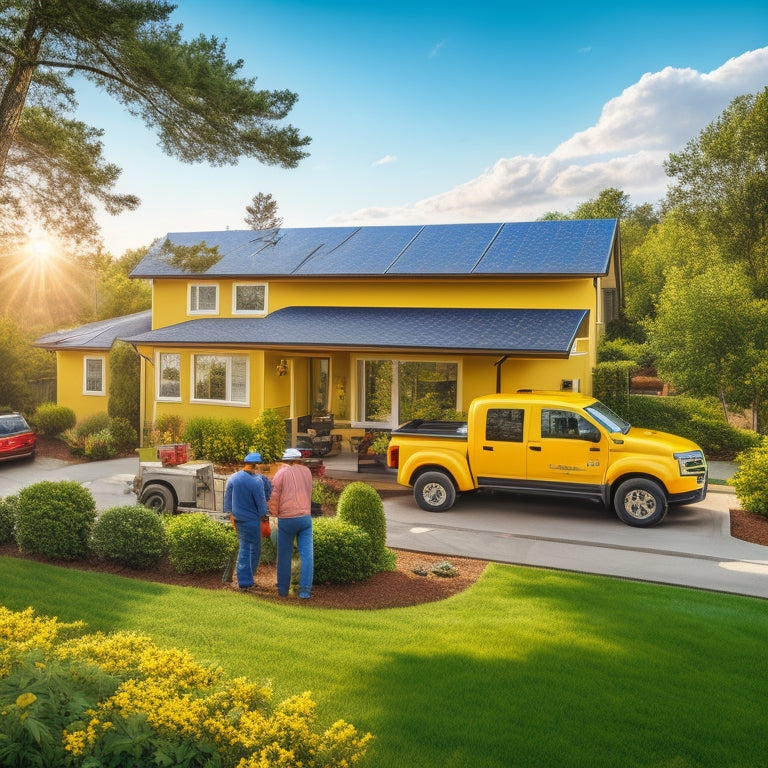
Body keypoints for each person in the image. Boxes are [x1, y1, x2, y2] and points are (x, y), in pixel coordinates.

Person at [223, 451, 272, 591]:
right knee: (252, 550)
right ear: (256, 465)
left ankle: (245, 579)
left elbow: (227, 502)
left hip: (237, 519)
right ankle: (246, 581)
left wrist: (231, 516)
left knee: (244, 547)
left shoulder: (233, 478)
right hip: (252, 521)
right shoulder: (256, 481)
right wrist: (265, 518)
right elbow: (262, 505)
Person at [269, 447, 314, 598]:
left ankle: (282, 591)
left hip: (287, 519)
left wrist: (273, 513)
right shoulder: (307, 472)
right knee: (307, 556)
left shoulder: (281, 473)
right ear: (298, 459)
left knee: (284, 556)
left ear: (286, 460)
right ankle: (305, 592)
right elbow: (309, 491)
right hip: (305, 517)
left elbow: (274, 496)